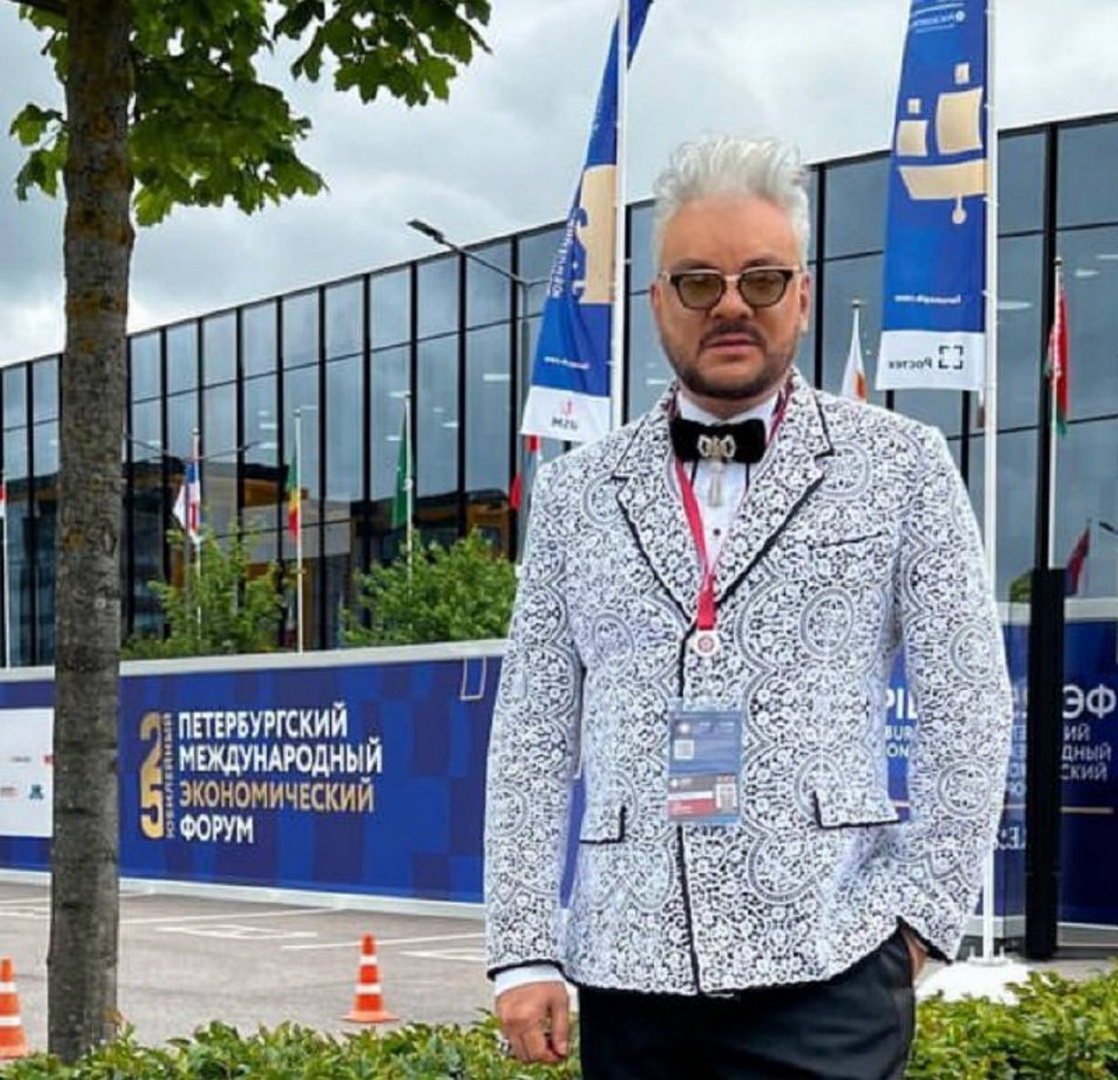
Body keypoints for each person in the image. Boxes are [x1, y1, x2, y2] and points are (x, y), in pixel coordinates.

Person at [484, 133, 1013, 1079]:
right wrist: (524, 951)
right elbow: (531, 733)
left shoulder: (902, 467)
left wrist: (919, 920)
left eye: (761, 280)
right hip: (628, 971)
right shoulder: (574, 494)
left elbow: (968, 703)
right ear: (658, 302)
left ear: (801, 295)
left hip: (832, 967)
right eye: (698, 282)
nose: (731, 305)